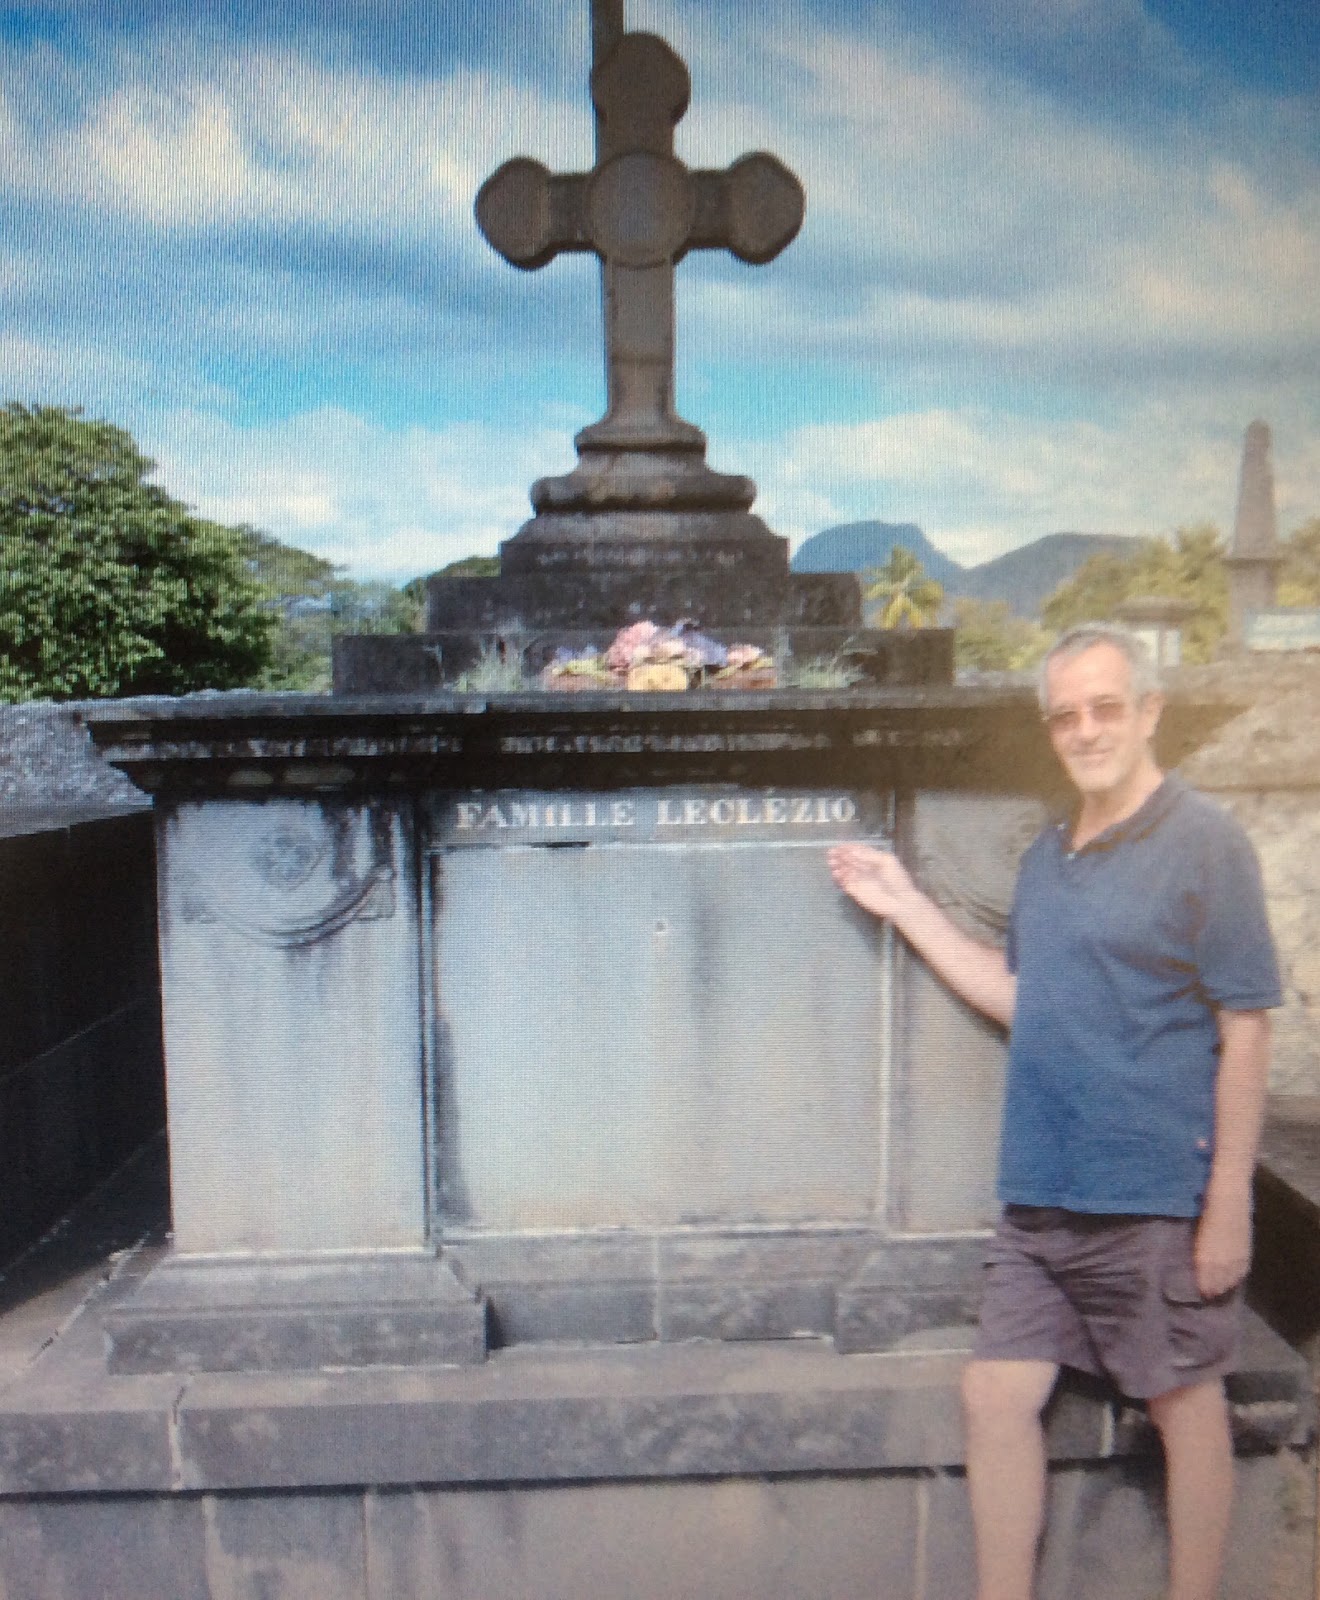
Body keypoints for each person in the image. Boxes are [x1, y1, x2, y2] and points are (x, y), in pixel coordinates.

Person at [828, 621, 1281, 1600]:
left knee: (1184, 1403)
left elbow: (1246, 1028)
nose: (1086, 730)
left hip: (1153, 1194)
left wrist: (1229, 1202)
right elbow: (1022, 996)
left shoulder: (1206, 843)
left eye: (1106, 707)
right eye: (1066, 715)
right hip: (1041, 1198)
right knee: (994, 1392)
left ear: (1150, 711)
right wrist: (904, 903)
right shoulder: (1047, 858)